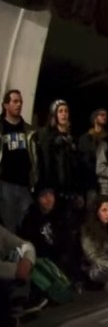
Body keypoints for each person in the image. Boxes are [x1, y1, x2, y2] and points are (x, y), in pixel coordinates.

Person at [0, 90, 39, 233]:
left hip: (25, 184)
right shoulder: (1, 128)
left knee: (26, 225)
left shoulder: (28, 130)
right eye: (15, 101)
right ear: (6, 105)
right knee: (9, 224)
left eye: (20, 102)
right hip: (5, 183)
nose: (19, 105)